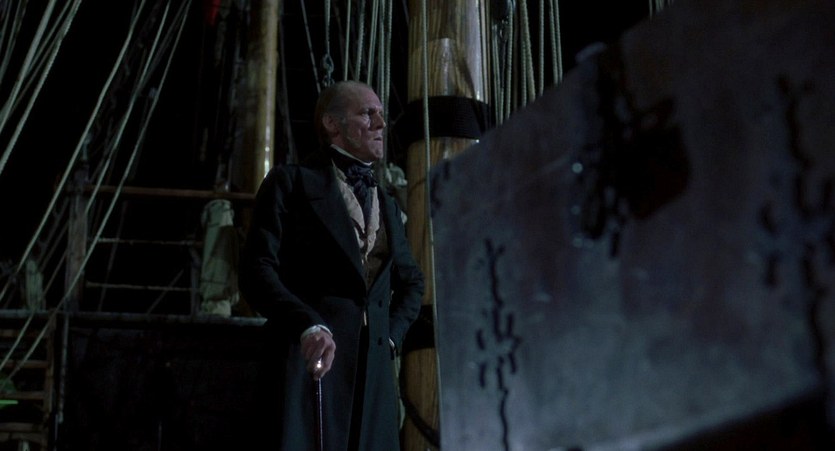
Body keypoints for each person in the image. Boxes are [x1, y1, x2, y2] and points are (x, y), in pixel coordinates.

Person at [239, 80, 424, 451]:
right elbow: (257, 270)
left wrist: (388, 337)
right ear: (332, 124)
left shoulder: (386, 202)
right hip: (308, 367)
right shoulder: (291, 184)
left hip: (373, 382)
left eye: (381, 115)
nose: (380, 124)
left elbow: (412, 283)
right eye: (367, 114)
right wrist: (306, 324)